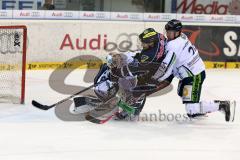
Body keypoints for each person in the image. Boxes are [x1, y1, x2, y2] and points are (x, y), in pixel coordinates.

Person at [151, 19, 235, 121]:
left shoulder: (173, 45)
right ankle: (197, 107)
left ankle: (221, 105)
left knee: (191, 110)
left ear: (177, 33)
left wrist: (155, 78)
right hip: (191, 73)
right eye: (167, 32)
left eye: (170, 32)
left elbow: (167, 68)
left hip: (194, 75)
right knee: (181, 92)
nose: (168, 34)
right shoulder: (182, 37)